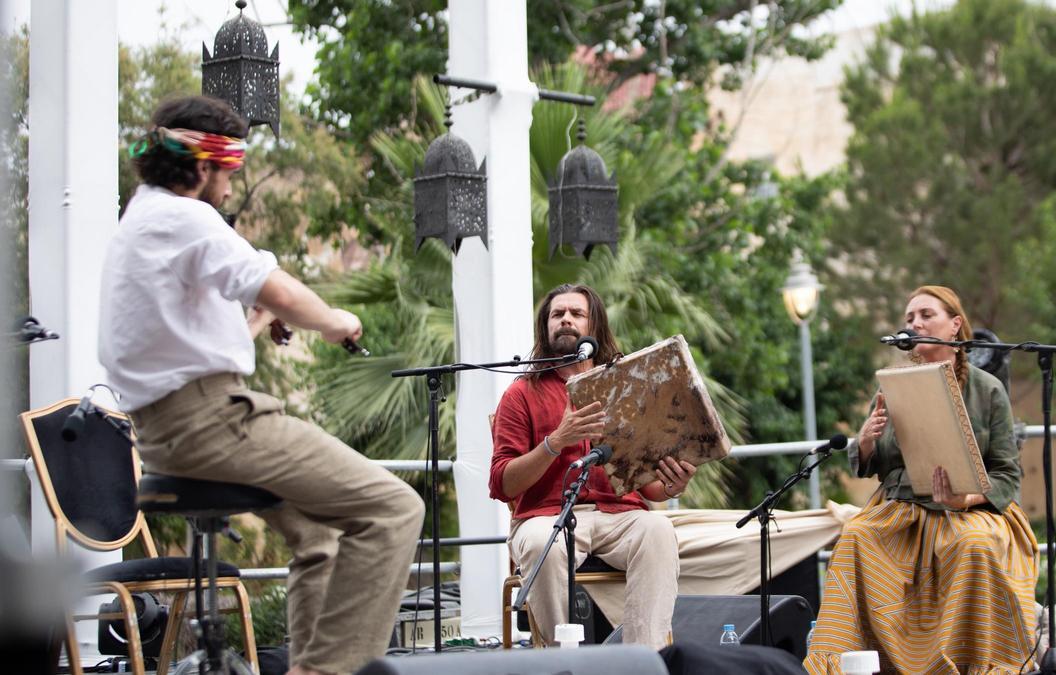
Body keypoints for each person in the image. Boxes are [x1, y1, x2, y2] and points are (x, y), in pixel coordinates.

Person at [99, 96, 424, 675]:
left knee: (320, 533)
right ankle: (325, 671)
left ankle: (312, 661)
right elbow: (279, 289)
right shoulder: (183, 216)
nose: (228, 191)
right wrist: (334, 321)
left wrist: (251, 321)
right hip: (212, 422)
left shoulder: (140, 219)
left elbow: (192, 349)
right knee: (394, 508)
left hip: (169, 429)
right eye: (229, 175)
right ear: (203, 167)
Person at [804, 285, 1039, 675]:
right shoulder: (893, 385)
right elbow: (870, 465)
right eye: (910, 318)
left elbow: (1007, 474)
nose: (915, 323)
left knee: (974, 544)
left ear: (954, 326)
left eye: (926, 315)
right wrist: (864, 441)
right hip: (901, 508)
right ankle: (852, 664)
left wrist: (964, 500)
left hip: (968, 509)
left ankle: (974, 662)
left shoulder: (987, 388)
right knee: (857, 537)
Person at [489, 283, 696, 649]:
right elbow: (503, 484)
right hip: (545, 517)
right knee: (541, 544)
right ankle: (564, 663)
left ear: (594, 327)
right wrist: (555, 442)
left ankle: (644, 662)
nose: (566, 319)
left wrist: (673, 484)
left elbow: (649, 488)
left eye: (576, 313)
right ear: (545, 327)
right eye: (557, 314)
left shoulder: (626, 388)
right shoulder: (521, 394)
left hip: (619, 515)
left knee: (658, 530)